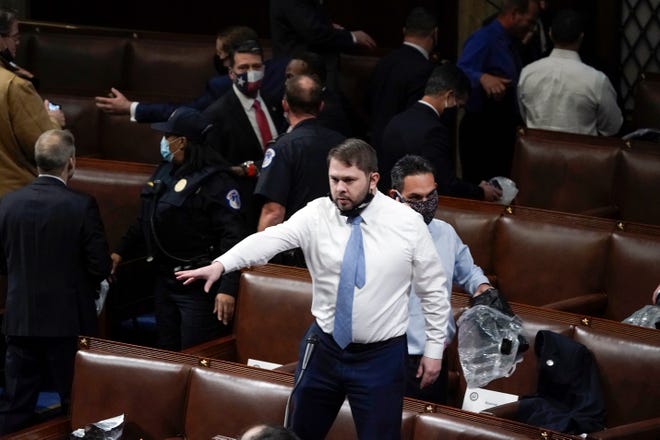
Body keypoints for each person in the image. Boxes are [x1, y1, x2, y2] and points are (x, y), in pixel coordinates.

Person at [176, 139, 451, 439]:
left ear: (373, 179)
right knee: (298, 434)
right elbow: (270, 239)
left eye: (349, 180)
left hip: (380, 356)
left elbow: (433, 290)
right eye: (334, 179)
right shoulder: (317, 213)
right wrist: (221, 264)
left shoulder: (408, 223)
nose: (340, 188)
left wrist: (434, 349)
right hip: (325, 348)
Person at [0, 129, 111, 434]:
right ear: (71, 163)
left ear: (37, 162)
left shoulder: (8, 203)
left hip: (20, 320)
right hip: (68, 324)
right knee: (77, 404)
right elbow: (99, 265)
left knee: (15, 407)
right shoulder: (81, 205)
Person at [112, 107, 245, 351]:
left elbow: (233, 239)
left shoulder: (217, 182)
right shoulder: (166, 170)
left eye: (167, 137)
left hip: (197, 286)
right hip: (165, 279)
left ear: (181, 141)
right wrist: (120, 250)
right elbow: (147, 217)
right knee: (167, 352)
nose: (163, 142)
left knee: (193, 353)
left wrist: (228, 288)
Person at [388, 154, 494, 404]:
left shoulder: (445, 232)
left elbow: (468, 271)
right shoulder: (376, 237)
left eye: (431, 195)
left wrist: (482, 286)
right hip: (388, 355)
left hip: (434, 356)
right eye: (415, 198)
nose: (425, 203)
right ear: (395, 197)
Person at [94, 26, 288, 123]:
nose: (219, 62)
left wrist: (131, 107)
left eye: (221, 56)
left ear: (231, 59)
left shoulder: (220, 86)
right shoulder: (282, 70)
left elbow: (184, 113)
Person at [379, 64, 502, 201]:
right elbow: (445, 184)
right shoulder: (434, 130)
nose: (457, 110)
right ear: (449, 96)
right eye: (459, 105)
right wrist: (480, 192)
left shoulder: (396, 121)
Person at [203, 39, 286, 230]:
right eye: (243, 68)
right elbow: (216, 169)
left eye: (256, 66)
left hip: (278, 200)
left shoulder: (275, 103)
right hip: (242, 208)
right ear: (231, 73)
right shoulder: (216, 115)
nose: (251, 72)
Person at [457, 0, 540, 184]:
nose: (532, 27)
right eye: (530, 21)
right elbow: (460, 70)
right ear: (514, 14)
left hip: (503, 128)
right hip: (483, 130)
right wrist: (482, 77)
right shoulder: (485, 38)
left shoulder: (514, 42)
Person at [255, 74, 345, 232]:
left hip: (299, 244)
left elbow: (273, 212)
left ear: (285, 105)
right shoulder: (344, 144)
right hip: (338, 237)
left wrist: (259, 254)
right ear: (321, 106)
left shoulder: (282, 148)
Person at [517, 9, 622, 136]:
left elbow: (524, 115)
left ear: (550, 34)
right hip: (582, 154)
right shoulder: (597, 80)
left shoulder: (527, 73)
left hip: (535, 153)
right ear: (581, 37)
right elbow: (612, 127)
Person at [0, 7, 65, 197]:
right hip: (11, 200)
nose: (17, 43)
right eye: (15, 37)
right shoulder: (14, 86)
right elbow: (46, 150)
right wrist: (54, 120)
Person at [367, 6, 437, 152]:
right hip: (403, 153)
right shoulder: (425, 70)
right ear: (434, 33)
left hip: (375, 147)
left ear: (404, 31)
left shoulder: (384, 62)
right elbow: (417, 119)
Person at [269, 0, 376, 90]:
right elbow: (313, 31)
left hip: (309, 70)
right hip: (303, 73)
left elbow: (305, 21)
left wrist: (327, 27)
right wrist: (353, 37)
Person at [286, 51, 353, 137]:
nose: (286, 83)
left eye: (291, 77)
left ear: (313, 79)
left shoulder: (328, 114)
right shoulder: (298, 102)